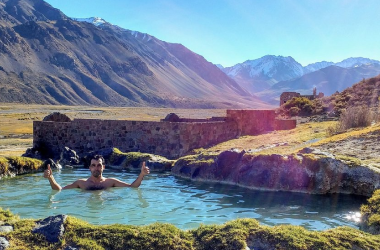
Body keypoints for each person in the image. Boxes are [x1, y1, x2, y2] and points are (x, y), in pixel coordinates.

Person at [44, 155, 150, 190]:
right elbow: (59, 190)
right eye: (93, 165)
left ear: (103, 167)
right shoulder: (81, 183)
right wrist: (51, 178)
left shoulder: (110, 182)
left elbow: (132, 187)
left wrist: (141, 175)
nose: (96, 168)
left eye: (99, 165)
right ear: (90, 168)